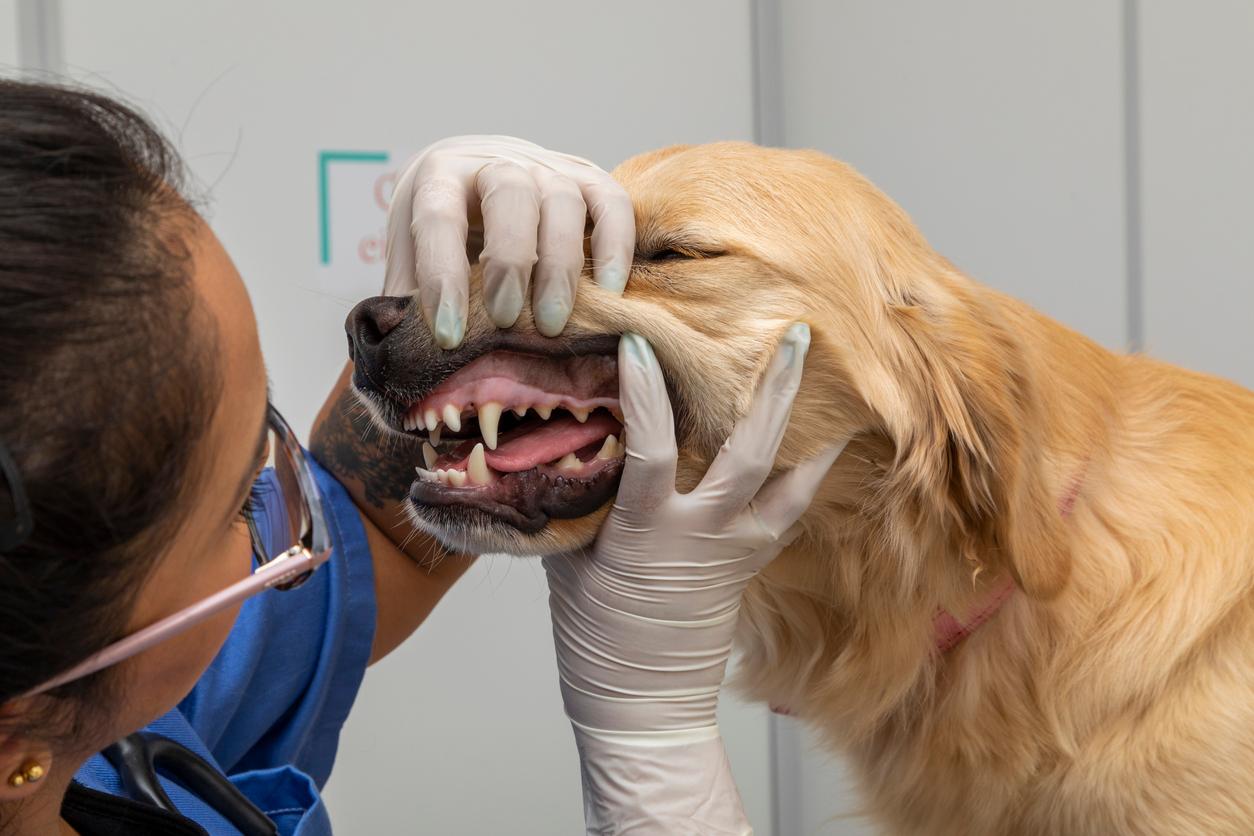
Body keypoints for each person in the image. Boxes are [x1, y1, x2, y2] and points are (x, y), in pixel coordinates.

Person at [0, 80, 841, 835]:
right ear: (18, 746)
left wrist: (471, 289)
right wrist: (655, 756)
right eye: (234, 508)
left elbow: (374, 520)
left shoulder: (112, 694)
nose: (291, 514)